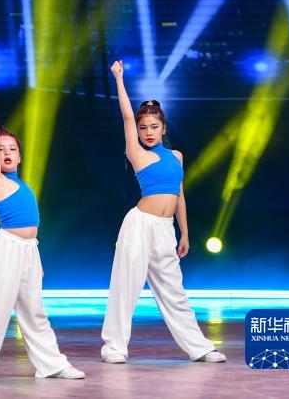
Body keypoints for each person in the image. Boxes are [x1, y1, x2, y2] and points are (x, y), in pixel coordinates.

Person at [100, 61, 226, 364]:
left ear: (164, 128)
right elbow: (127, 116)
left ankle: (199, 347)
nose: (148, 132)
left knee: (174, 291)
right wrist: (119, 79)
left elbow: (179, 195)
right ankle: (114, 348)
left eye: (154, 127)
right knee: (126, 287)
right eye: (143, 128)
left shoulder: (176, 156)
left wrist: (185, 232)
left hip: (165, 229)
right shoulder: (136, 153)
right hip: (139, 225)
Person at [0, 92, 85, 381]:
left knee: (35, 313)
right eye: (1, 149)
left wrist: (34, 259)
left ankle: (52, 364)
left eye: (12, 149)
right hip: (7, 249)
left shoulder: (23, 185)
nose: (5, 152)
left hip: (29, 250)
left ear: (19, 156)